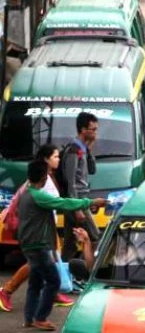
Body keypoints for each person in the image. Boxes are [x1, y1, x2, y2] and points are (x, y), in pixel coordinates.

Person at [18, 160, 106, 331]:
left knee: (35, 283)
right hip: (38, 246)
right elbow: (64, 203)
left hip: (30, 245)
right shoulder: (38, 195)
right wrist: (91, 202)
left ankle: (29, 318)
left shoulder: (26, 194)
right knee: (53, 281)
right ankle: (40, 317)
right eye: (48, 174)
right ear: (43, 177)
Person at [0, 145, 74, 313]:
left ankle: (52, 292)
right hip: (38, 229)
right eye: (55, 156)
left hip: (47, 226)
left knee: (50, 260)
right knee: (36, 263)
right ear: (46, 159)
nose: (58, 159)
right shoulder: (41, 179)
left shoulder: (47, 176)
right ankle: (6, 291)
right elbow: (26, 199)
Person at [61, 113, 101, 262]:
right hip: (76, 201)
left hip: (81, 200)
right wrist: (77, 208)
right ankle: (91, 270)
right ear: (83, 130)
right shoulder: (73, 150)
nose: (95, 132)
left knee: (70, 243)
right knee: (94, 236)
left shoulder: (83, 149)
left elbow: (92, 170)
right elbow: (70, 182)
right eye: (93, 129)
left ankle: (65, 273)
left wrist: (90, 150)